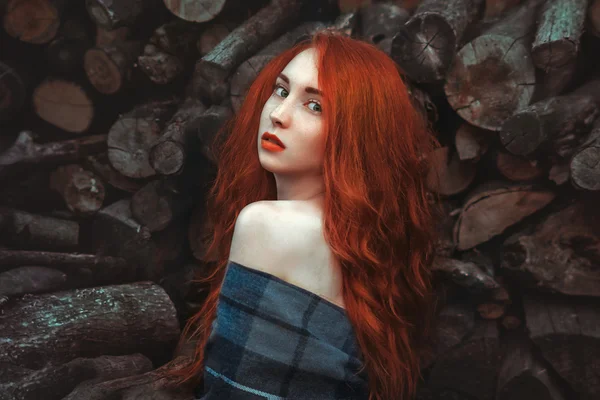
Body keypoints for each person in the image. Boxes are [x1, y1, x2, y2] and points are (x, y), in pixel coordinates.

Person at [163, 29, 441, 400]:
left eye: (315, 106)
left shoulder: (269, 225)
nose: (278, 115)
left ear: (354, 134)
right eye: (281, 90)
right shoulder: (355, 242)